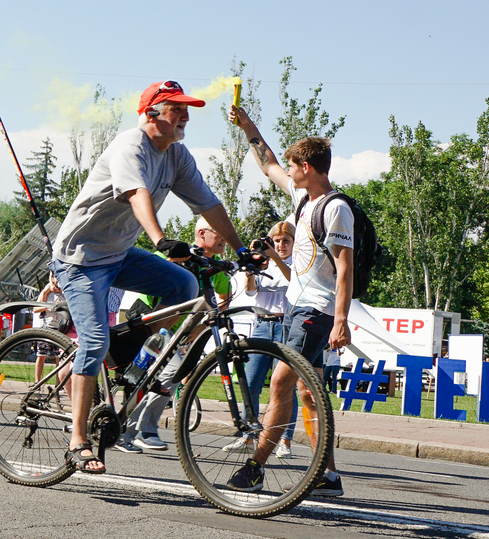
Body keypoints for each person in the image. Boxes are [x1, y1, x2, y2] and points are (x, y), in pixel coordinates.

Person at [52, 81, 245, 475]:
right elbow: (137, 194)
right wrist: (161, 240)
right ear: (152, 113)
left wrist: (241, 250)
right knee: (93, 339)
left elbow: (208, 203)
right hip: (80, 258)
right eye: (177, 109)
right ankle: (77, 440)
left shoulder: (176, 154)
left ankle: (133, 355)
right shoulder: (131, 146)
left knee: (184, 286)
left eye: (187, 110)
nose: (186, 117)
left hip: (119, 254)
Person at [228, 101, 351, 498]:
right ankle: (327, 475)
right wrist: (247, 125)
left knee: (281, 384)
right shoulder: (302, 201)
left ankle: (254, 467)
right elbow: (267, 164)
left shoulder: (335, 210)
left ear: (309, 169)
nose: (289, 171)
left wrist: (341, 320)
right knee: (306, 390)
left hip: (316, 311)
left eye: (295, 166)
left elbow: (345, 268)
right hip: (297, 309)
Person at [122, 214, 235, 453]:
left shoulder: (215, 267)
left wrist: (200, 328)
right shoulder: (180, 253)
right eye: (218, 231)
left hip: (179, 329)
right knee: (147, 375)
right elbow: (150, 273)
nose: (224, 237)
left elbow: (224, 299)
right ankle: (136, 429)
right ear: (202, 234)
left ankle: (138, 429)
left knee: (169, 375)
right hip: (152, 318)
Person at [224, 220, 296, 457]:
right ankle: (248, 436)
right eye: (277, 241)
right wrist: (251, 269)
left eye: (286, 241)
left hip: (285, 325)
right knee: (251, 381)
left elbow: (292, 283)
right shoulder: (265, 262)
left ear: (294, 243)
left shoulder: (296, 263)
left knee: (284, 387)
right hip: (262, 324)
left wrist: (274, 257)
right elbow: (251, 291)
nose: (281, 245)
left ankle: (283, 440)